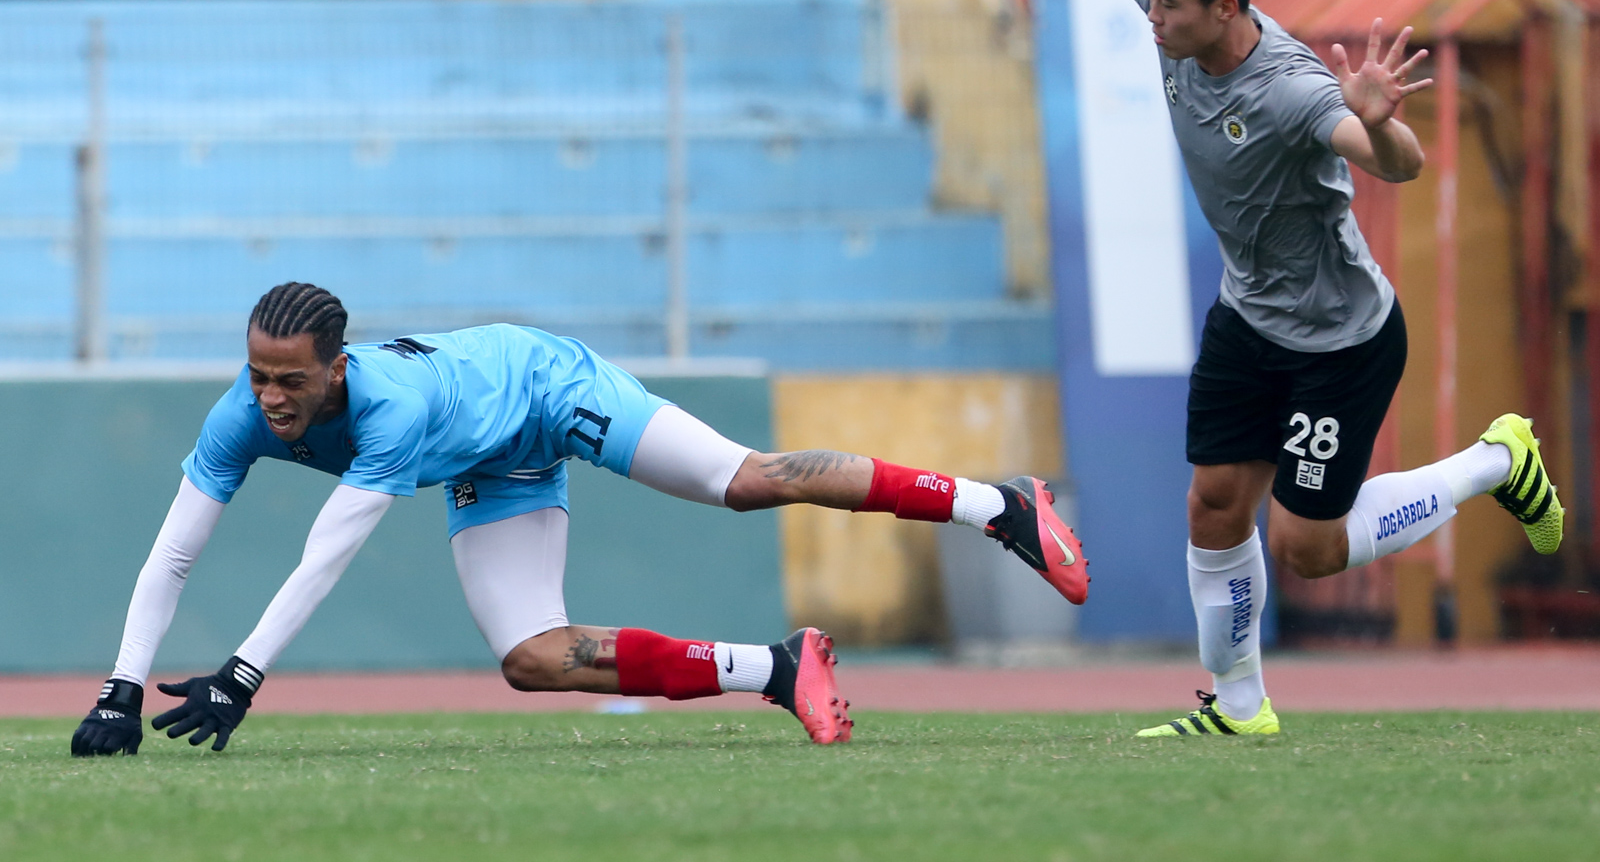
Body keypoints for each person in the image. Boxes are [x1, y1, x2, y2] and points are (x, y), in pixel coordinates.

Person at [70, 282, 1087, 755]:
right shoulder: (236, 416)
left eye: (289, 378)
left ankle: (998, 504)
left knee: (749, 479)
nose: (270, 396)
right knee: (531, 657)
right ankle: (778, 668)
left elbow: (322, 558)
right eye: (257, 375)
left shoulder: (390, 408)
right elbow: (174, 552)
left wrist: (243, 674)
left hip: (548, 388)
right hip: (486, 459)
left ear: (337, 366)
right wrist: (120, 688)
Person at [1075, 0, 1564, 738]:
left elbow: (1405, 163)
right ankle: (1238, 706)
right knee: (1213, 504)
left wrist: (1375, 123)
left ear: (1224, 8)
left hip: (1339, 339)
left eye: (1168, 3)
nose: (1151, 12)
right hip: (1249, 314)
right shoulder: (1180, 19)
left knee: (1306, 547)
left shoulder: (1293, 89)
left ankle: (1493, 458)